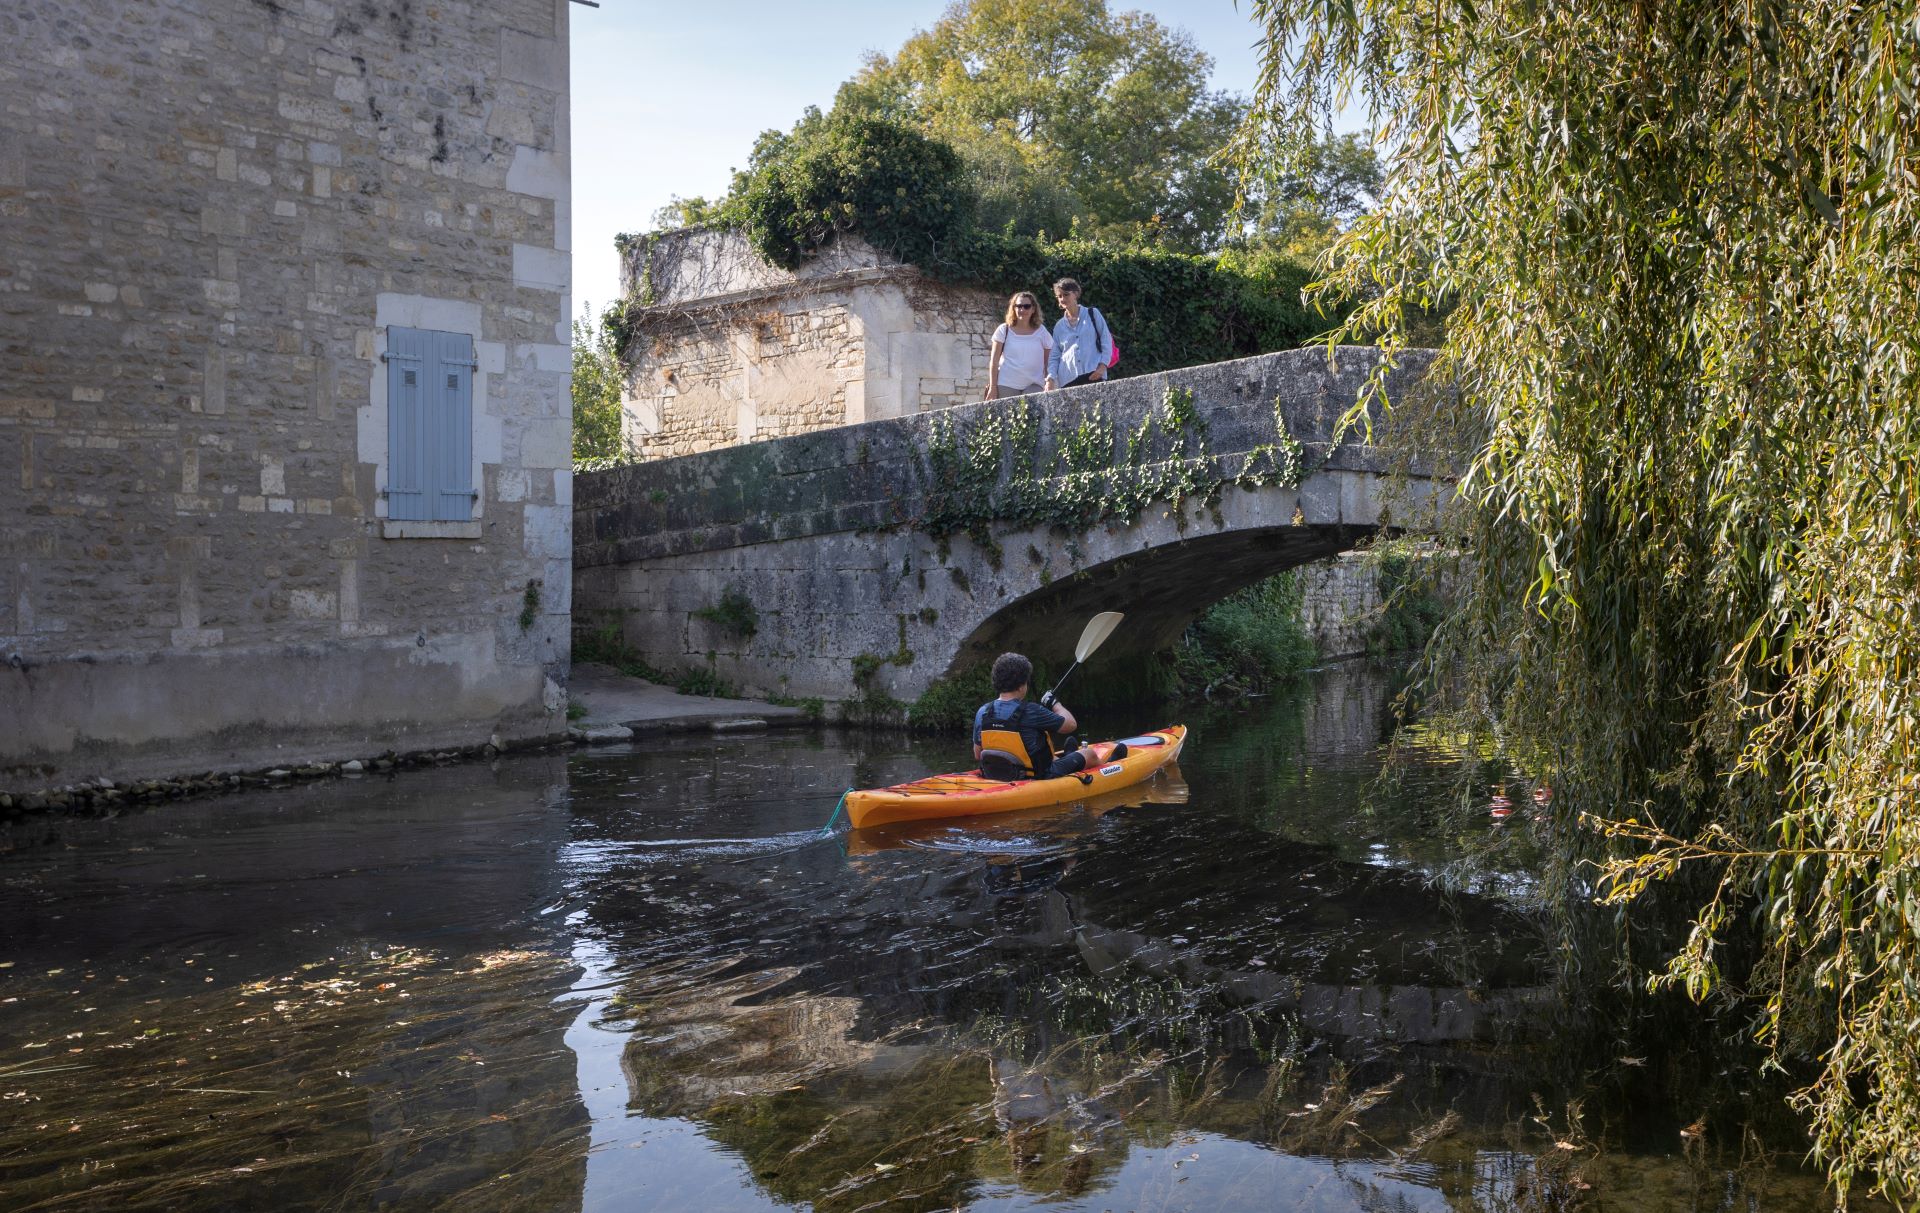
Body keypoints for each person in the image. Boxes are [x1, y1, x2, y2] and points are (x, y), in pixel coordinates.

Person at [972, 652, 1126, 781]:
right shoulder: (1031, 711)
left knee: (1047, 753)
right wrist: (1054, 703)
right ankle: (1110, 766)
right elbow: (1071, 725)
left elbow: (978, 754)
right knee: (1089, 753)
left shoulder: (983, 711)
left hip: (998, 775)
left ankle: (1069, 755)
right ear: (1022, 685)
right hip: (1039, 776)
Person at [984, 291, 1054, 400]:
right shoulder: (1004, 330)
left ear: (1033, 309)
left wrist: (1049, 382)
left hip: (1034, 384)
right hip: (1006, 384)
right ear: (1013, 308)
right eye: (1018, 306)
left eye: (1026, 306)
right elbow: (994, 361)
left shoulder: (1042, 332)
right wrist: (993, 387)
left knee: (1035, 416)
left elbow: (1048, 362)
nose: (1022, 310)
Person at [1044, 278, 1112, 391]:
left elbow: (1106, 340)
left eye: (1066, 294)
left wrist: (1103, 366)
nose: (1062, 299)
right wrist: (1050, 378)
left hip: (1093, 373)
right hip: (1068, 379)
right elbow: (1054, 356)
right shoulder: (1059, 326)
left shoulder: (1093, 314)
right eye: (1059, 296)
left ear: (1075, 294)